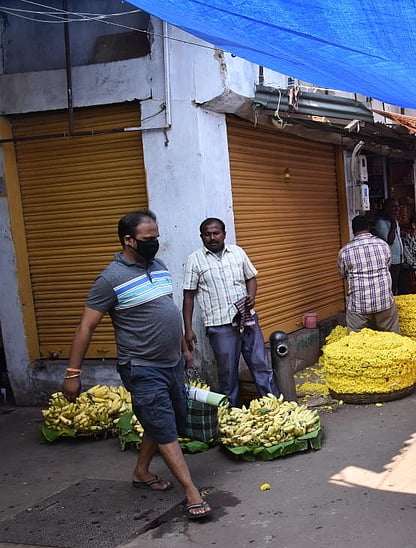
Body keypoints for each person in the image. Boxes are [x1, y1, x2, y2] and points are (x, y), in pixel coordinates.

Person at [61, 210, 211, 520]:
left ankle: (141, 472)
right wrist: (73, 373)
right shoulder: (110, 279)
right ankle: (191, 491)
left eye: (156, 237)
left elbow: (166, 310)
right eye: (147, 239)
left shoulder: (159, 266)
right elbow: (85, 327)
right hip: (141, 366)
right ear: (128, 240)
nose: (155, 243)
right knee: (163, 424)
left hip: (171, 363)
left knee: (162, 420)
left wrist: (183, 348)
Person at [183, 218, 278, 407]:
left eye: (216, 233)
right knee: (227, 374)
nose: (212, 237)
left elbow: (251, 278)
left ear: (224, 234)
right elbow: (188, 297)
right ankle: (233, 413)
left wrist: (252, 296)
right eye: (207, 234)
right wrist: (188, 329)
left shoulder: (238, 252)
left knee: (261, 364)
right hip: (219, 326)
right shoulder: (194, 260)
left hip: (247, 318)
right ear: (201, 236)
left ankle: (274, 406)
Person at [337, 215, 400, 334]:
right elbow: (388, 265)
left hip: (359, 304)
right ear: (369, 228)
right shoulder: (383, 245)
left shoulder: (345, 251)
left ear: (353, 230)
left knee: (355, 339)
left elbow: (342, 274)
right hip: (384, 301)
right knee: (392, 335)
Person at [373, 198, 408, 295]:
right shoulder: (381, 223)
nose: (397, 209)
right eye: (394, 207)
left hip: (400, 260)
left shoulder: (395, 222)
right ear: (387, 209)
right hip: (391, 262)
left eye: (397, 207)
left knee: (403, 288)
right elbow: (390, 241)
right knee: (392, 288)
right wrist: (393, 223)